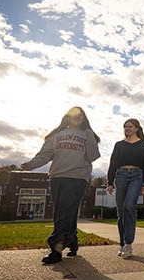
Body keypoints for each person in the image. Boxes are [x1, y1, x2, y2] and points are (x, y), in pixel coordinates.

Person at [21, 107, 100, 264]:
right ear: (67, 117)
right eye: (73, 115)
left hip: (77, 178)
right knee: (65, 212)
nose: (77, 117)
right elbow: (45, 155)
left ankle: (55, 249)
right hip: (57, 177)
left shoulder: (87, 135)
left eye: (80, 115)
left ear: (84, 118)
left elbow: (93, 156)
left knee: (63, 213)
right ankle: (72, 241)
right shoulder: (57, 135)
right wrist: (30, 165)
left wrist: (89, 135)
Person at [107, 119, 144, 259]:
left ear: (137, 128)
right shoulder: (119, 145)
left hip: (137, 176)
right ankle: (122, 243)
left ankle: (128, 243)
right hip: (120, 176)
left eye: (130, 126)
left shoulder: (143, 144)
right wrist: (109, 182)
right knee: (121, 211)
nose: (127, 128)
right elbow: (113, 163)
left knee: (129, 206)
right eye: (125, 126)